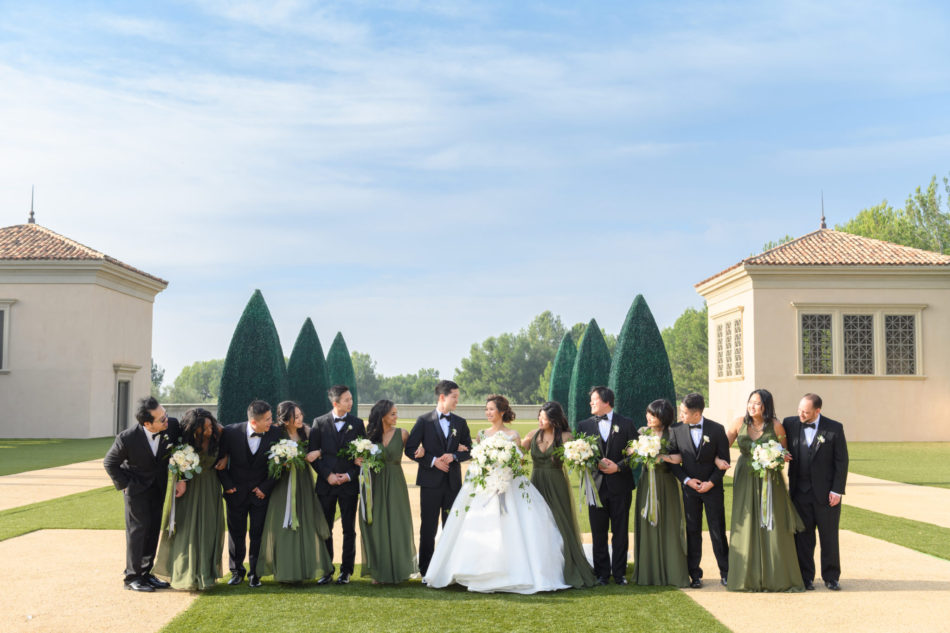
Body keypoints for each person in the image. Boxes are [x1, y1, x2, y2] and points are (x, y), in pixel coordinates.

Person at [423, 395, 570, 593]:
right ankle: (471, 569)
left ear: (502, 412)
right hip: (484, 487)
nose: (488, 413)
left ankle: (512, 571)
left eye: (491, 409)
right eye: (486, 409)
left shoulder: (514, 435)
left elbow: (518, 463)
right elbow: (476, 461)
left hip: (508, 484)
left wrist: (504, 473)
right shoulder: (481, 435)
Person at [725, 389, 804, 592]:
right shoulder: (738, 422)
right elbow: (722, 447)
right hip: (745, 477)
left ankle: (776, 576)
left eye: (757, 403)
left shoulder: (776, 426)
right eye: (750, 402)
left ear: (766, 406)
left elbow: (784, 453)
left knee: (773, 522)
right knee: (747, 521)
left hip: (770, 479)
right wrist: (718, 459)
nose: (752, 406)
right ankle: (746, 577)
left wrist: (774, 458)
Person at [104, 396, 182, 592]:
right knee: (137, 531)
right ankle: (132, 577)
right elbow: (109, 463)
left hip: (159, 487)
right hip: (136, 491)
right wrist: (125, 486)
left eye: (165, 415)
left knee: (153, 529)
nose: (166, 420)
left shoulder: (171, 426)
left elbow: (182, 445)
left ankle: (146, 573)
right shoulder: (127, 438)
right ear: (147, 423)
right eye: (161, 419)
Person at [521, 401, 597, 589]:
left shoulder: (566, 437)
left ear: (554, 419)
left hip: (557, 484)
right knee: (539, 524)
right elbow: (518, 455)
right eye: (539, 416)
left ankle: (567, 565)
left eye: (544, 417)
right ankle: (542, 566)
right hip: (536, 483)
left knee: (560, 522)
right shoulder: (532, 435)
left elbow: (581, 456)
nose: (540, 420)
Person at [258, 401, 333, 584]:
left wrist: (318, 453)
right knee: (283, 525)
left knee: (305, 523)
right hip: (282, 484)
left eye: (300, 415)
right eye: (296, 416)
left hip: (303, 482)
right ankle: (285, 570)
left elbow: (321, 450)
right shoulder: (275, 433)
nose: (300, 419)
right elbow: (266, 455)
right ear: (286, 418)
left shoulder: (307, 433)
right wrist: (280, 461)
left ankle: (306, 569)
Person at [404, 379, 472, 578]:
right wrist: (433, 461)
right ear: (443, 397)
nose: (457, 401)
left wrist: (454, 456)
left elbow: (469, 449)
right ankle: (426, 570)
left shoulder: (460, 423)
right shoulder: (423, 421)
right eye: (454, 397)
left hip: (452, 484)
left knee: (451, 526)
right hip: (430, 484)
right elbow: (409, 449)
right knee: (428, 527)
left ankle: (450, 569)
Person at [152, 407, 225, 590]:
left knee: (208, 527)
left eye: (210, 425)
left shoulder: (218, 432)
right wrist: (182, 480)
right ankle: (185, 573)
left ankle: (205, 574)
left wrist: (226, 457)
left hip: (210, 486)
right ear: (194, 429)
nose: (209, 430)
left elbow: (231, 445)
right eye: (205, 428)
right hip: (187, 487)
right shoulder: (182, 438)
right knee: (185, 528)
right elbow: (174, 460)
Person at [783, 393, 849, 591]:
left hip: (826, 494)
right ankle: (805, 578)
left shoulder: (834, 428)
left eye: (806, 412)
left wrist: (837, 490)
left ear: (817, 411)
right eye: (799, 410)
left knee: (829, 536)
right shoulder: (790, 423)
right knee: (803, 538)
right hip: (799, 493)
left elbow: (841, 461)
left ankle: (831, 577)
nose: (801, 414)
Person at [576, 386, 638, 585]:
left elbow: (636, 453)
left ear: (606, 402)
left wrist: (618, 467)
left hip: (621, 487)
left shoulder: (626, 423)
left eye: (594, 400)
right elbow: (579, 455)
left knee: (620, 531)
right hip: (596, 487)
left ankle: (619, 573)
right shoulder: (583, 426)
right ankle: (602, 573)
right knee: (598, 532)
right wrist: (597, 464)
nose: (590, 403)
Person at [668, 393, 730, 588]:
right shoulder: (676, 430)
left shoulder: (717, 429)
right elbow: (674, 462)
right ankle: (695, 574)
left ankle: (726, 572)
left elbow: (724, 462)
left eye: (684, 412)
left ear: (696, 414)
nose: (680, 415)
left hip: (713, 489)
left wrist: (710, 483)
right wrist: (687, 480)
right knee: (692, 531)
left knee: (717, 531)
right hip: (689, 490)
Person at [217, 399, 281, 588]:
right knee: (236, 534)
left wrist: (265, 487)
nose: (271, 422)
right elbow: (220, 462)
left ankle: (256, 573)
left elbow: (280, 465)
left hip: (260, 494)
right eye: (267, 419)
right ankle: (237, 571)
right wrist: (228, 485)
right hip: (235, 493)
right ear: (254, 422)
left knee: (257, 534)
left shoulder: (276, 433)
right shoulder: (230, 432)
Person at [309, 385, 366, 585]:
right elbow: (313, 455)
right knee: (325, 528)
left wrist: (350, 475)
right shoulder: (319, 423)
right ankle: (326, 569)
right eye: (347, 400)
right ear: (335, 403)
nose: (351, 403)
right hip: (326, 486)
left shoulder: (358, 424)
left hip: (349, 486)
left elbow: (362, 455)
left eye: (351, 399)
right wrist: (328, 476)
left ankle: (346, 571)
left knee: (349, 529)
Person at [359, 400, 419, 584]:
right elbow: (358, 457)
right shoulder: (368, 438)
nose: (396, 416)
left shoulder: (403, 434)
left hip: (395, 482)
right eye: (392, 413)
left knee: (397, 523)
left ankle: (400, 570)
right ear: (382, 415)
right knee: (375, 524)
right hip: (374, 484)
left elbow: (414, 452)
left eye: (396, 413)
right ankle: (379, 572)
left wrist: (422, 450)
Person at [631, 399, 689, 588]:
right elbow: (630, 450)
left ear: (662, 417)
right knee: (647, 521)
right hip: (647, 482)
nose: (648, 417)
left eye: (653, 415)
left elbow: (681, 457)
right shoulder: (642, 432)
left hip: (666, 482)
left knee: (669, 523)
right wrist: (638, 450)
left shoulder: (673, 433)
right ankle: (649, 572)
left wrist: (662, 457)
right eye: (648, 414)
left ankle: (672, 571)